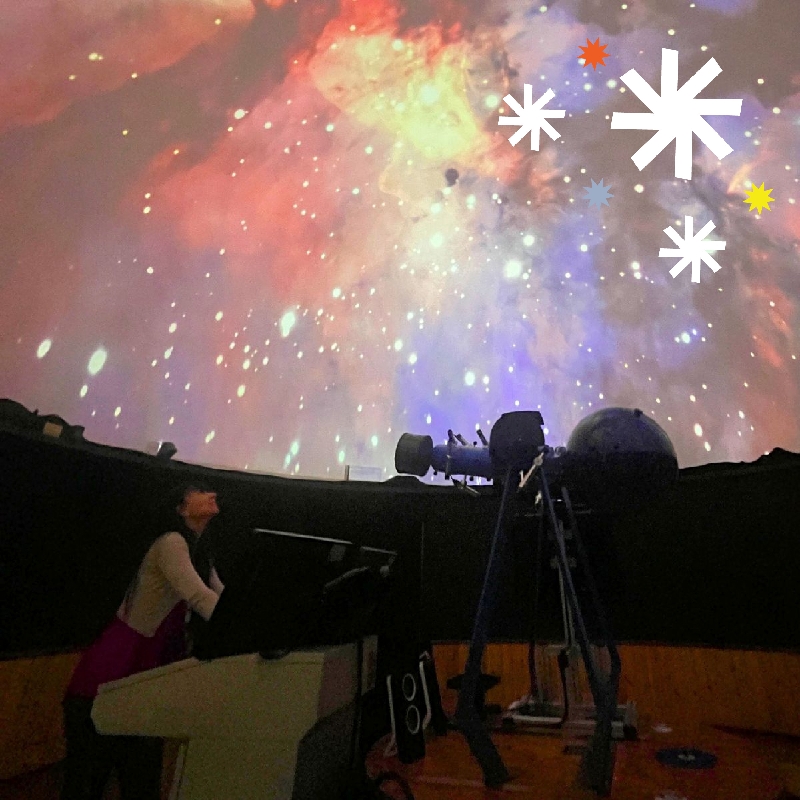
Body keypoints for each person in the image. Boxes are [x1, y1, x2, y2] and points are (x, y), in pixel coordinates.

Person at [60, 482, 225, 800]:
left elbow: (219, 595)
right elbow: (200, 597)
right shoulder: (171, 542)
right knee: (91, 783)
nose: (213, 494)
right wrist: (247, 628)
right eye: (200, 492)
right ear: (181, 508)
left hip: (140, 681)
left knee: (136, 781)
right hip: (111, 678)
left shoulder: (199, 551)